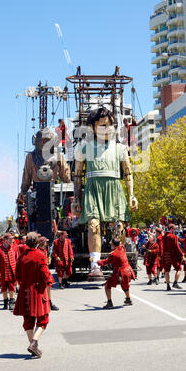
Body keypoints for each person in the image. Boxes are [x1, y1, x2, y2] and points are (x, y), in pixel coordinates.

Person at [72, 107, 138, 280]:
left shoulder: (121, 148)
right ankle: (95, 266)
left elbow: (129, 173)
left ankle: (120, 264)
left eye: (110, 125)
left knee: (119, 227)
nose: (108, 128)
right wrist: (76, 199)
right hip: (93, 189)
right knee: (93, 225)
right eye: (102, 125)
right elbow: (77, 176)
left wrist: (132, 195)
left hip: (114, 188)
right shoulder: (83, 148)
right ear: (92, 128)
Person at [13, 232, 51, 358]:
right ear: (37, 242)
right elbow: (45, 275)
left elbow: (17, 275)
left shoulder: (21, 257)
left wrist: (23, 282)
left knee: (28, 321)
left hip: (25, 290)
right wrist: (49, 280)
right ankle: (34, 344)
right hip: (38, 290)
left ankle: (33, 346)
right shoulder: (40, 256)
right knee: (43, 320)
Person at [97, 238, 135, 309]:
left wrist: (97, 261)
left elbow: (105, 262)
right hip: (127, 271)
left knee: (107, 285)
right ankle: (128, 299)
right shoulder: (123, 248)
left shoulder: (113, 254)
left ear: (113, 245)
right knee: (125, 286)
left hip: (121, 273)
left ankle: (109, 302)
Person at [0, 233, 19, 310]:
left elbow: (17, 259)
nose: (12, 240)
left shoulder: (14, 247)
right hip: (3, 272)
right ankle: (5, 302)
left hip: (12, 271)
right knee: (4, 287)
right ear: (5, 240)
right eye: (10, 239)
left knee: (12, 286)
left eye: (12, 239)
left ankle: (11, 302)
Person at [37, 236, 59, 311]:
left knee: (48, 287)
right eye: (45, 241)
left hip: (46, 270)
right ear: (43, 243)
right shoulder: (38, 251)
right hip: (40, 272)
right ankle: (42, 303)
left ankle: (49, 302)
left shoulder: (45, 249)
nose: (46, 243)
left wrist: (48, 259)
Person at [161, 224, 184, 291]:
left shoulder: (164, 236)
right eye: (174, 229)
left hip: (166, 255)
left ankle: (168, 285)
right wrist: (182, 254)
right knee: (179, 269)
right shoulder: (173, 237)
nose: (175, 230)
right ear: (171, 229)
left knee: (167, 271)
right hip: (173, 255)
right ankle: (175, 282)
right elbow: (177, 247)